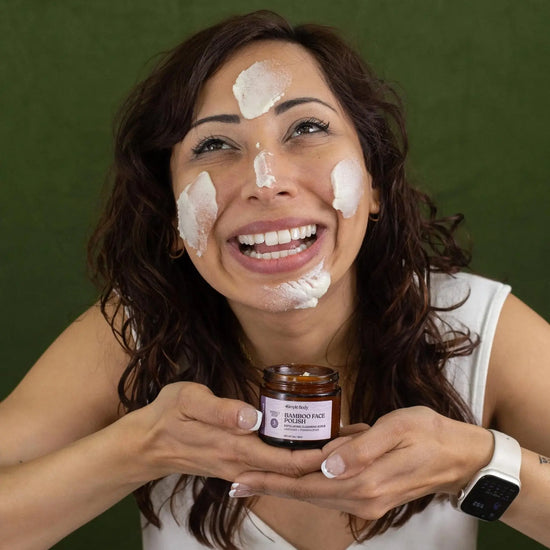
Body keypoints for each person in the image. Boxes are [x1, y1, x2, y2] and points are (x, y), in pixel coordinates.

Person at [0, 9, 549, 550]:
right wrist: (140, 448)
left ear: (374, 183)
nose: (267, 181)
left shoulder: (477, 325)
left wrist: (477, 463)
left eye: (307, 128)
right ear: (170, 218)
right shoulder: (137, 332)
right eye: (214, 145)